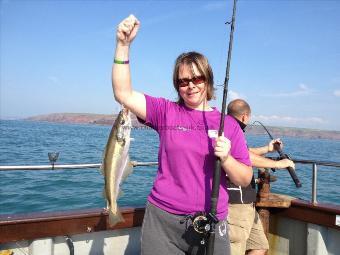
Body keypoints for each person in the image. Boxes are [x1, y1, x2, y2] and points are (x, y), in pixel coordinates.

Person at [112, 15, 253, 255]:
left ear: (208, 80)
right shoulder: (166, 112)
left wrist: (227, 159)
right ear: (177, 85)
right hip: (162, 221)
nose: (191, 85)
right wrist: (123, 45)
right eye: (183, 81)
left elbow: (244, 179)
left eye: (197, 78)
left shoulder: (228, 124)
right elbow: (123, 94)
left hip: (211, 221)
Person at [226, 99, 295, 255]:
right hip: (236, 203)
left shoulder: (231, 128)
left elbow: (244, 152)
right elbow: (243, 158)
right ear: (245, 117)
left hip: (247, 203)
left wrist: (268, 148)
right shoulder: (230, 128)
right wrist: (278, 164)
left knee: (259, 245)